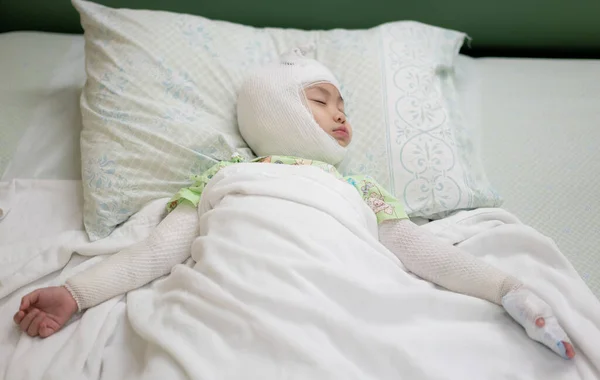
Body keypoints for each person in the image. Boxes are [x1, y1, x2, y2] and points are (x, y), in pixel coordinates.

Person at [14, 48, 575, 360]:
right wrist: (75, 293)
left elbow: (424, 253)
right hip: (234, 299)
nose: (340, 114)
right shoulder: (221, 177)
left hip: (340, 293)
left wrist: (508, 290)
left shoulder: (361, 189)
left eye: (342, 104)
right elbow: (158, 252)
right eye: (319, 99)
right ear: (273, 112)